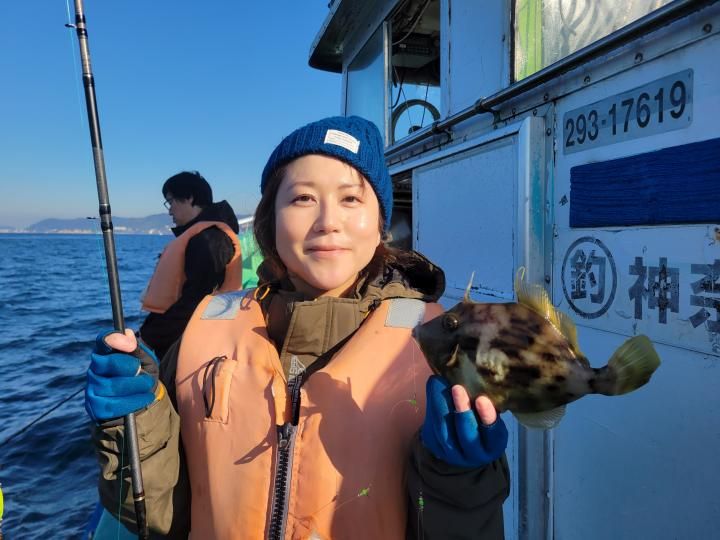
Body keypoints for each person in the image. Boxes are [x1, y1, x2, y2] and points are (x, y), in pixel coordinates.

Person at [85, 116, 509, 539]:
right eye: (303, 198)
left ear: (380, 222)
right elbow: (158, 514)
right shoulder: (202, 333)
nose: (328, 221)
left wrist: (460, 480)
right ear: (269, 219)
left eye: (351, 199)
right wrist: (134, 422)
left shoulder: (438, 346)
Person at [138, 171, 242, 361]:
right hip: (178, 342)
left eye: (171, 202)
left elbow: (197, 300)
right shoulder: (202, 236)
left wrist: (148, 337)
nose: (169, 211)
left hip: (192, 348)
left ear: (189, 198)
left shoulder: (210, 239)